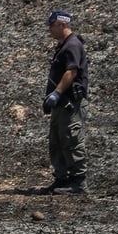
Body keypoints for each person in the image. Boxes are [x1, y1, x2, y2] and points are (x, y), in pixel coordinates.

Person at [40, 10, 89, 195]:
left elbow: (72, 72)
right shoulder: (63, 46)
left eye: (52, 25)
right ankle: (62, 178)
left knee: (72, 139)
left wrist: (57, 93)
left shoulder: (72, 45)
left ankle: (78, 181)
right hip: (61, 103)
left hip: (70, 103)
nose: (50, 29)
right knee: (57, 140)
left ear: (62, 24)